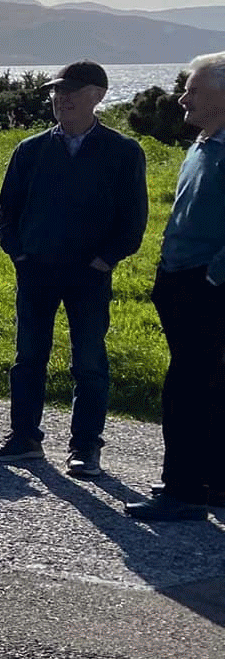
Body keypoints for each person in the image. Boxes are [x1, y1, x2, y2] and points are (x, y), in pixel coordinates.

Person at [0, 60, 148, 477]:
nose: (61, 98)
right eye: (56, 91)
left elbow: (133, 222)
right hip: (36, 271)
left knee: (89, 362)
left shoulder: (123, 152)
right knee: (28, 357)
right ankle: (24, 439)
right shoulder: (31, 150)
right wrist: (19, 255)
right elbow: (7, 214)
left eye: (71, 91)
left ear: (98, 95)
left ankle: (85, 448)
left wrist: (103, 262)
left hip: (89, 276)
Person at [126, 52, 225, 520]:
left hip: (206, 285)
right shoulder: (207, 141)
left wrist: (213, 275)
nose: (182, 97)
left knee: (188, 386)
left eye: (193, 89)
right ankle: (210, 482)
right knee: (207, 383)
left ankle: (183, 490)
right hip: (184, 278)